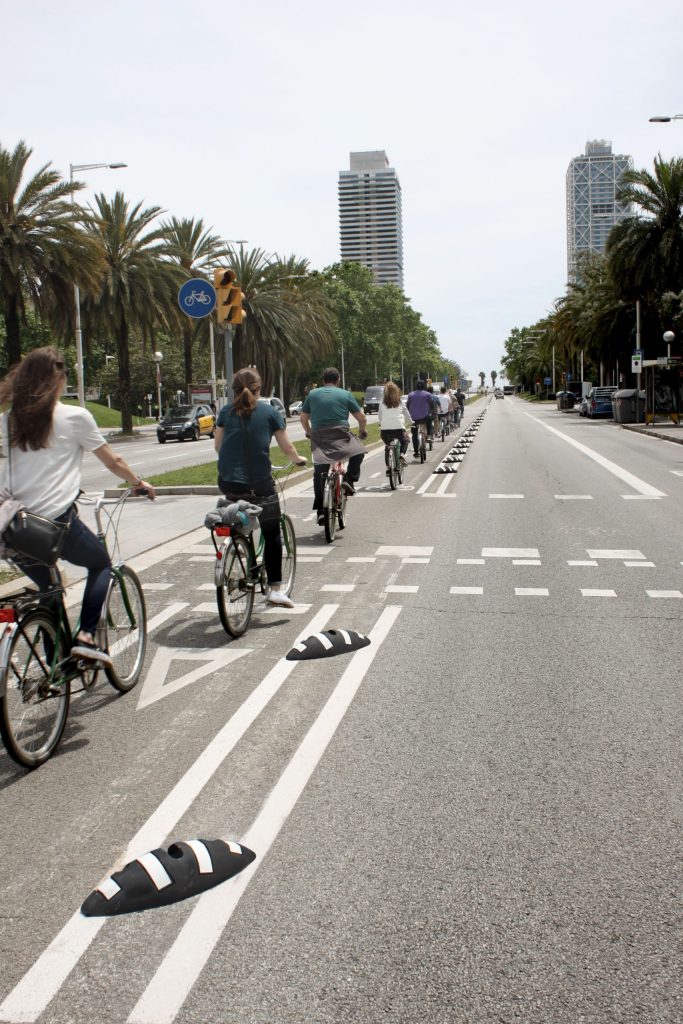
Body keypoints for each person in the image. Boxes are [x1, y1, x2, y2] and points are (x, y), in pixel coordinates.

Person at [0, 347, 156, 664]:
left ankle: (54, 666)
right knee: (100, 564)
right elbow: (114, 461)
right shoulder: (75, 417)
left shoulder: (6, 421)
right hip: (55, 525)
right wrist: (138, 483)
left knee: (48, 589)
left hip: (15, 528)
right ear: (58, 380)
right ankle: (86, 637)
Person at [214, 367, 306, 608]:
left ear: (233, 389)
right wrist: (298, 460)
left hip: (228, 483)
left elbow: (218, 447)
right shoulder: (270, 412)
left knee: (239, 517)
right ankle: (275, 589)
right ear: (259, 388)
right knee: (272, 532)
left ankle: (240, 545)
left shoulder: (225, 412)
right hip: (259, 485)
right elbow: (287, 448)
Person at [299, 367, 367, 527]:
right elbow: (362, 418)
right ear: (338, 380)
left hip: (320, 438)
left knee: (319, 474)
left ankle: (321, 512)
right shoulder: (345, 394)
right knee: (360, 451)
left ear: (323, 381)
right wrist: (362, 431)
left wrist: (309, 433)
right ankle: (349, 479)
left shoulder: (313, 394)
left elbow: (303, 418)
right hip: (341, 435)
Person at [378, 381, 412, 468]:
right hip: (399, 429)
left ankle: (388, 467)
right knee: (405, 440)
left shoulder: (382, 403)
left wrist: (380, 424)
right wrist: (411, 422)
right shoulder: (399, 402)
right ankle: (401, 455)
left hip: (385, 431)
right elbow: (406, 413)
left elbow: (380, 416)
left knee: (388, 445)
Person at [405, 380, 434, 458]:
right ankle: (428, 435)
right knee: (429, 420)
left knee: (414, 435)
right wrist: (431, 410)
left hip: (413, 418)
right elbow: (432, 404)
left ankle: (416, 452)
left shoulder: (410, 395)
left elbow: (407, 405)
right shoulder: (427, 394)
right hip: (424, 417)